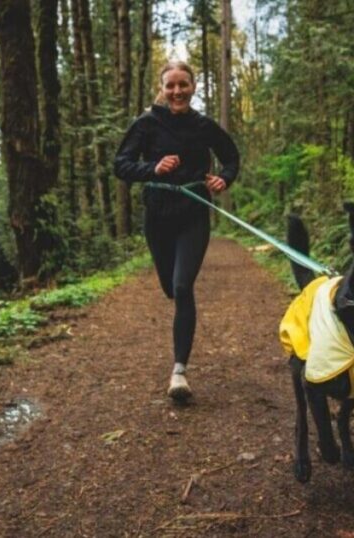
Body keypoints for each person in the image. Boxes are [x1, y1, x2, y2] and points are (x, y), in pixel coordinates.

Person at [113, 60, 240, 402]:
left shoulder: (203, 125)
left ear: (193, 87)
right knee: (170, 287)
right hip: (158, 217)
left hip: (193, 215)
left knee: (183, 287)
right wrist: (153, 168)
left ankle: (179, 372)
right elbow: (120, 165)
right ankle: (179, 344)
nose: (177, 91)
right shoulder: (146, 123)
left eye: (183, 84)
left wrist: (223, 178)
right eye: (170, 85)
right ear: (162, 88)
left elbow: (231, 158)